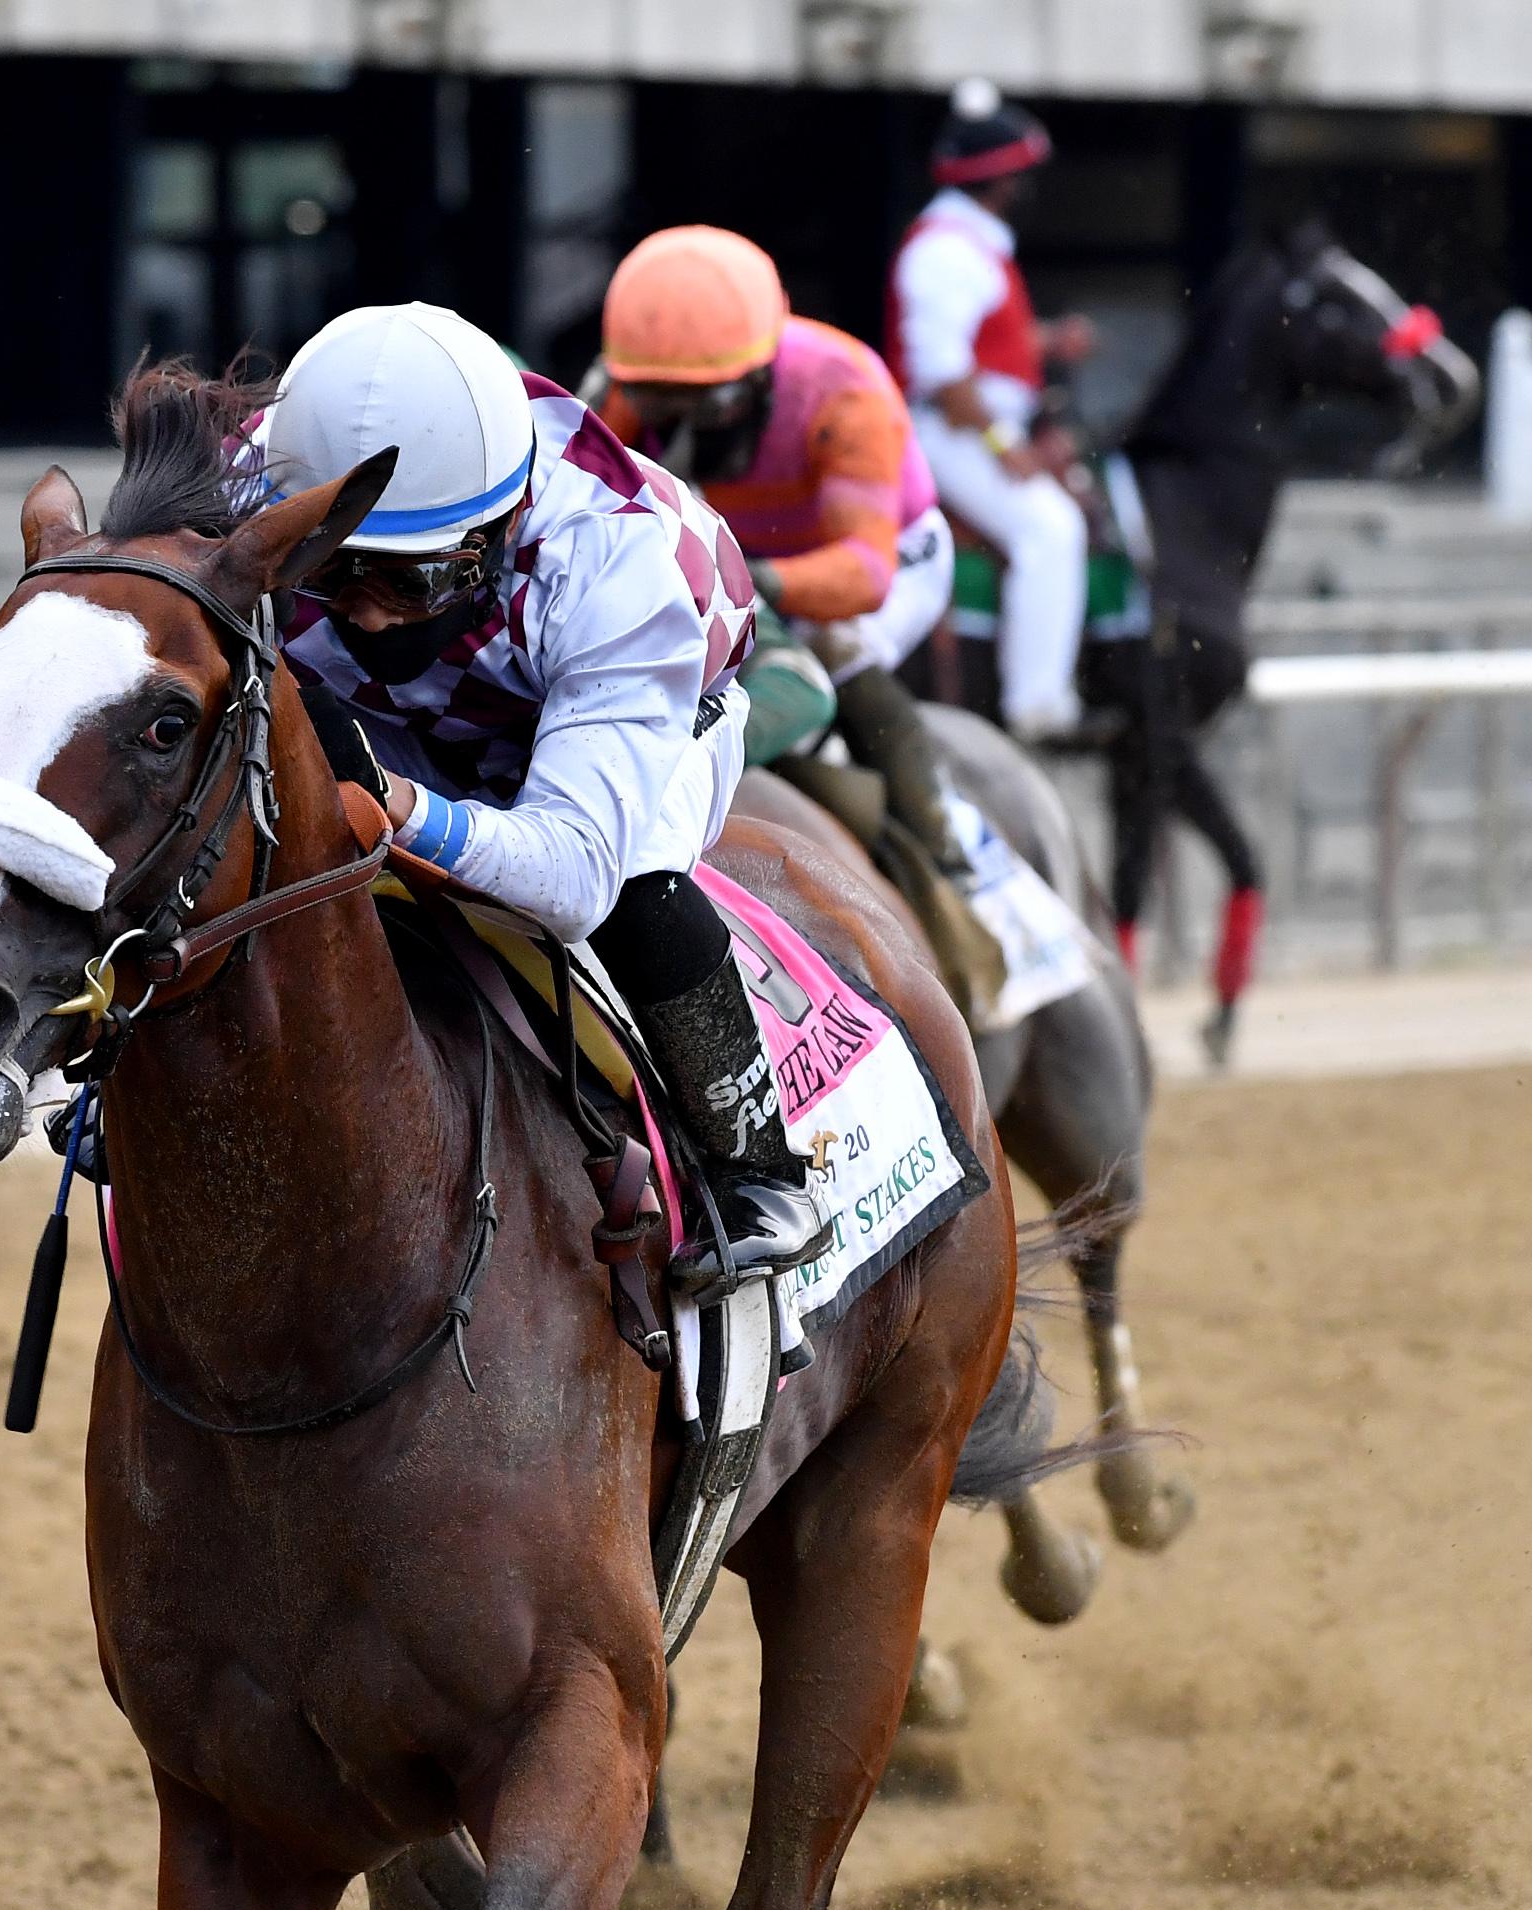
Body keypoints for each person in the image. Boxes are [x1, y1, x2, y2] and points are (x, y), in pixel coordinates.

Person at [245, 301, 831, 1312]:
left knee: (637, 885)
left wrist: (394, 804)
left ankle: (759, 1172)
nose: (371, 611)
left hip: (652, 701)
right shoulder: (255, 476)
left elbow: (568, 878)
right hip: (422, 713)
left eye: (414, 578)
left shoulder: (614, 559)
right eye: (331, 570)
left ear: (499, 528)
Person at [589, 223, 1011, 1032]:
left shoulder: (844, 389)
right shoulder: (632, 383)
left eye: (703, 405)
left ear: (759, 372)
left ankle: (942, 849)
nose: (679, 426)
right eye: (655, 403)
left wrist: (755, 585)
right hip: (726, 556)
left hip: (873, 557)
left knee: (840, 653)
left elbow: (864, 571)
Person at [887, 78, 1096, 742]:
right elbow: (945, 378)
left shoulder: (969, 245)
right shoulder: (946, 250)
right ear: (1001, 181)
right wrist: (1009, 447)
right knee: (1051, 528)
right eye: (1021, 176)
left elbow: (984, 346)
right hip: (946, 433)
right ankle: (1037, 705)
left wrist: (1047, 340)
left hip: (972, 425)